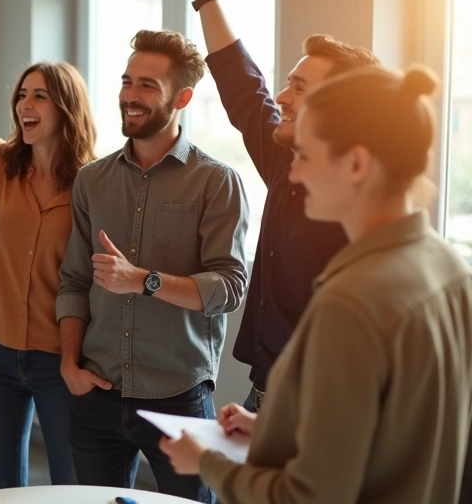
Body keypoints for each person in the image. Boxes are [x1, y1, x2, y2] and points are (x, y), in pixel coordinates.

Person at [160, 65, 472, 504]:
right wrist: (274, 432)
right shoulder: (449, 267)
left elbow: (309, 496)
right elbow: (394, 433)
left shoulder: (353, 302)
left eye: (304, 155)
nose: (296, 175)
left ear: (358, 163)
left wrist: (209, 463)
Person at [175, 0, 381, 413]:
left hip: (321, 405)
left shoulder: (365, 204)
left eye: (301, 89)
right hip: (266, 389)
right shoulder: (289, 161)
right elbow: (245, 87)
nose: (283, 97)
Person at [56, 29, 249, 504]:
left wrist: (143, 281)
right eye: (127, 81)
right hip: (95, 391)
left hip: (178, 398)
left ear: (181, 97)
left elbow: (229, 287)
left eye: (147, 85)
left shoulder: (216, 182)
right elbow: (74, 281)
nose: (130, 96)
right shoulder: (91, 181)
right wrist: (68, 365)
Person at [0, 0, 97, 489]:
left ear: (66, 107)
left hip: (63, 359)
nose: (24, 105)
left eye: (39, 96)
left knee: (71, 486)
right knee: (2, 488)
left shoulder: (95, 184)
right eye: (21, 95)